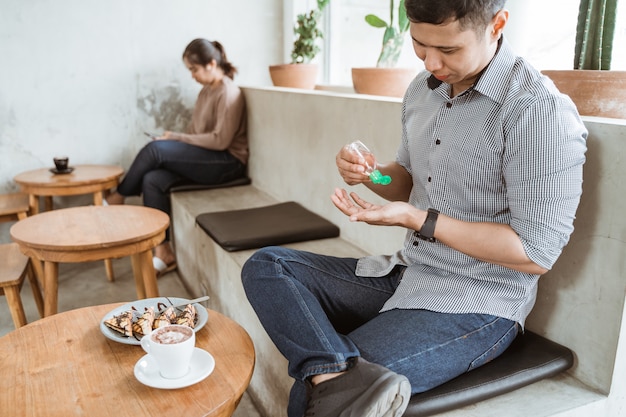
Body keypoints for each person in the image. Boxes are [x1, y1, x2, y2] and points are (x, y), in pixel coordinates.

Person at [241, 0, 588, 416]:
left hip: (477, 302)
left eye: (449, 50)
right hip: (407, 273)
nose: (432, 62)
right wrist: (371, 174)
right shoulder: (423, 92)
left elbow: (535, 253)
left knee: (311, 398)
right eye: (419, 45)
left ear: (497, 25)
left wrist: (419, 219)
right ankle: (332, 373)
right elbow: (404, 181)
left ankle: (330, 381)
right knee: (268, 266)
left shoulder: (536, 111)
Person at [107, 39, 248, 276]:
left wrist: (176, 139)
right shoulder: (206, 92)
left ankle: (116, 198)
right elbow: (196, 134)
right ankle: (164, 252)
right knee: (152, 179)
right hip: (207, 158)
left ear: (211, 64)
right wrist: (178, 140)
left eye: (193, 69)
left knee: (155, 150)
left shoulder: (229, 92)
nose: (191, 75)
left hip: (227, 162)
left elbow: (220, 141)